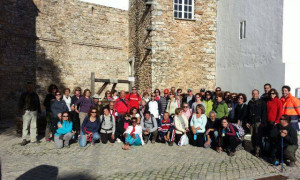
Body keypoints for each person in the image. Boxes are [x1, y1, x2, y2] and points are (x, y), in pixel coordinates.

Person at [247, 89, 267, 157]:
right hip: (252, 122)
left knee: (258, 137)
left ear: (258, 94)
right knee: (253, 137)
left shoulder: (262, 102)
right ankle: (254, 149)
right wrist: (248, 122)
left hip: (259, 122)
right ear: (252, 94)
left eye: (256, 93)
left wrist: (263, 122)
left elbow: (264, 113)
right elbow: (248, 113)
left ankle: (258, 151)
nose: (255, 95)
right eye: (253, 93)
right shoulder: (250, 102)